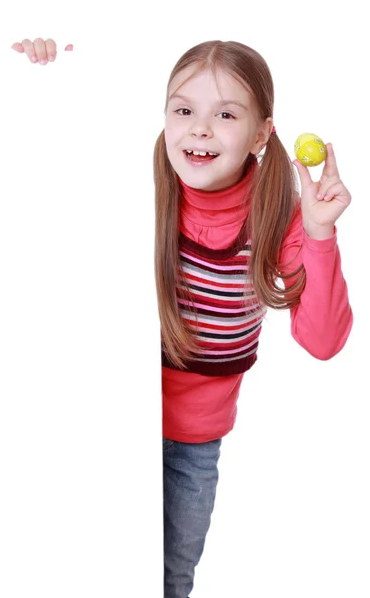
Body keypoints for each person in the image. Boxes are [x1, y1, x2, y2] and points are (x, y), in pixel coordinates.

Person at [153, 40, 353, 598]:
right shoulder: (139, 189)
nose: (199, 129)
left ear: (262, 134)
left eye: (225, 114)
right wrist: (42, 60)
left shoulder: (277, 217)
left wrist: (317, 233)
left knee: (170, 580)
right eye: (183, 109)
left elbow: (322, 341)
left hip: (193, 446)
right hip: (109, 423)